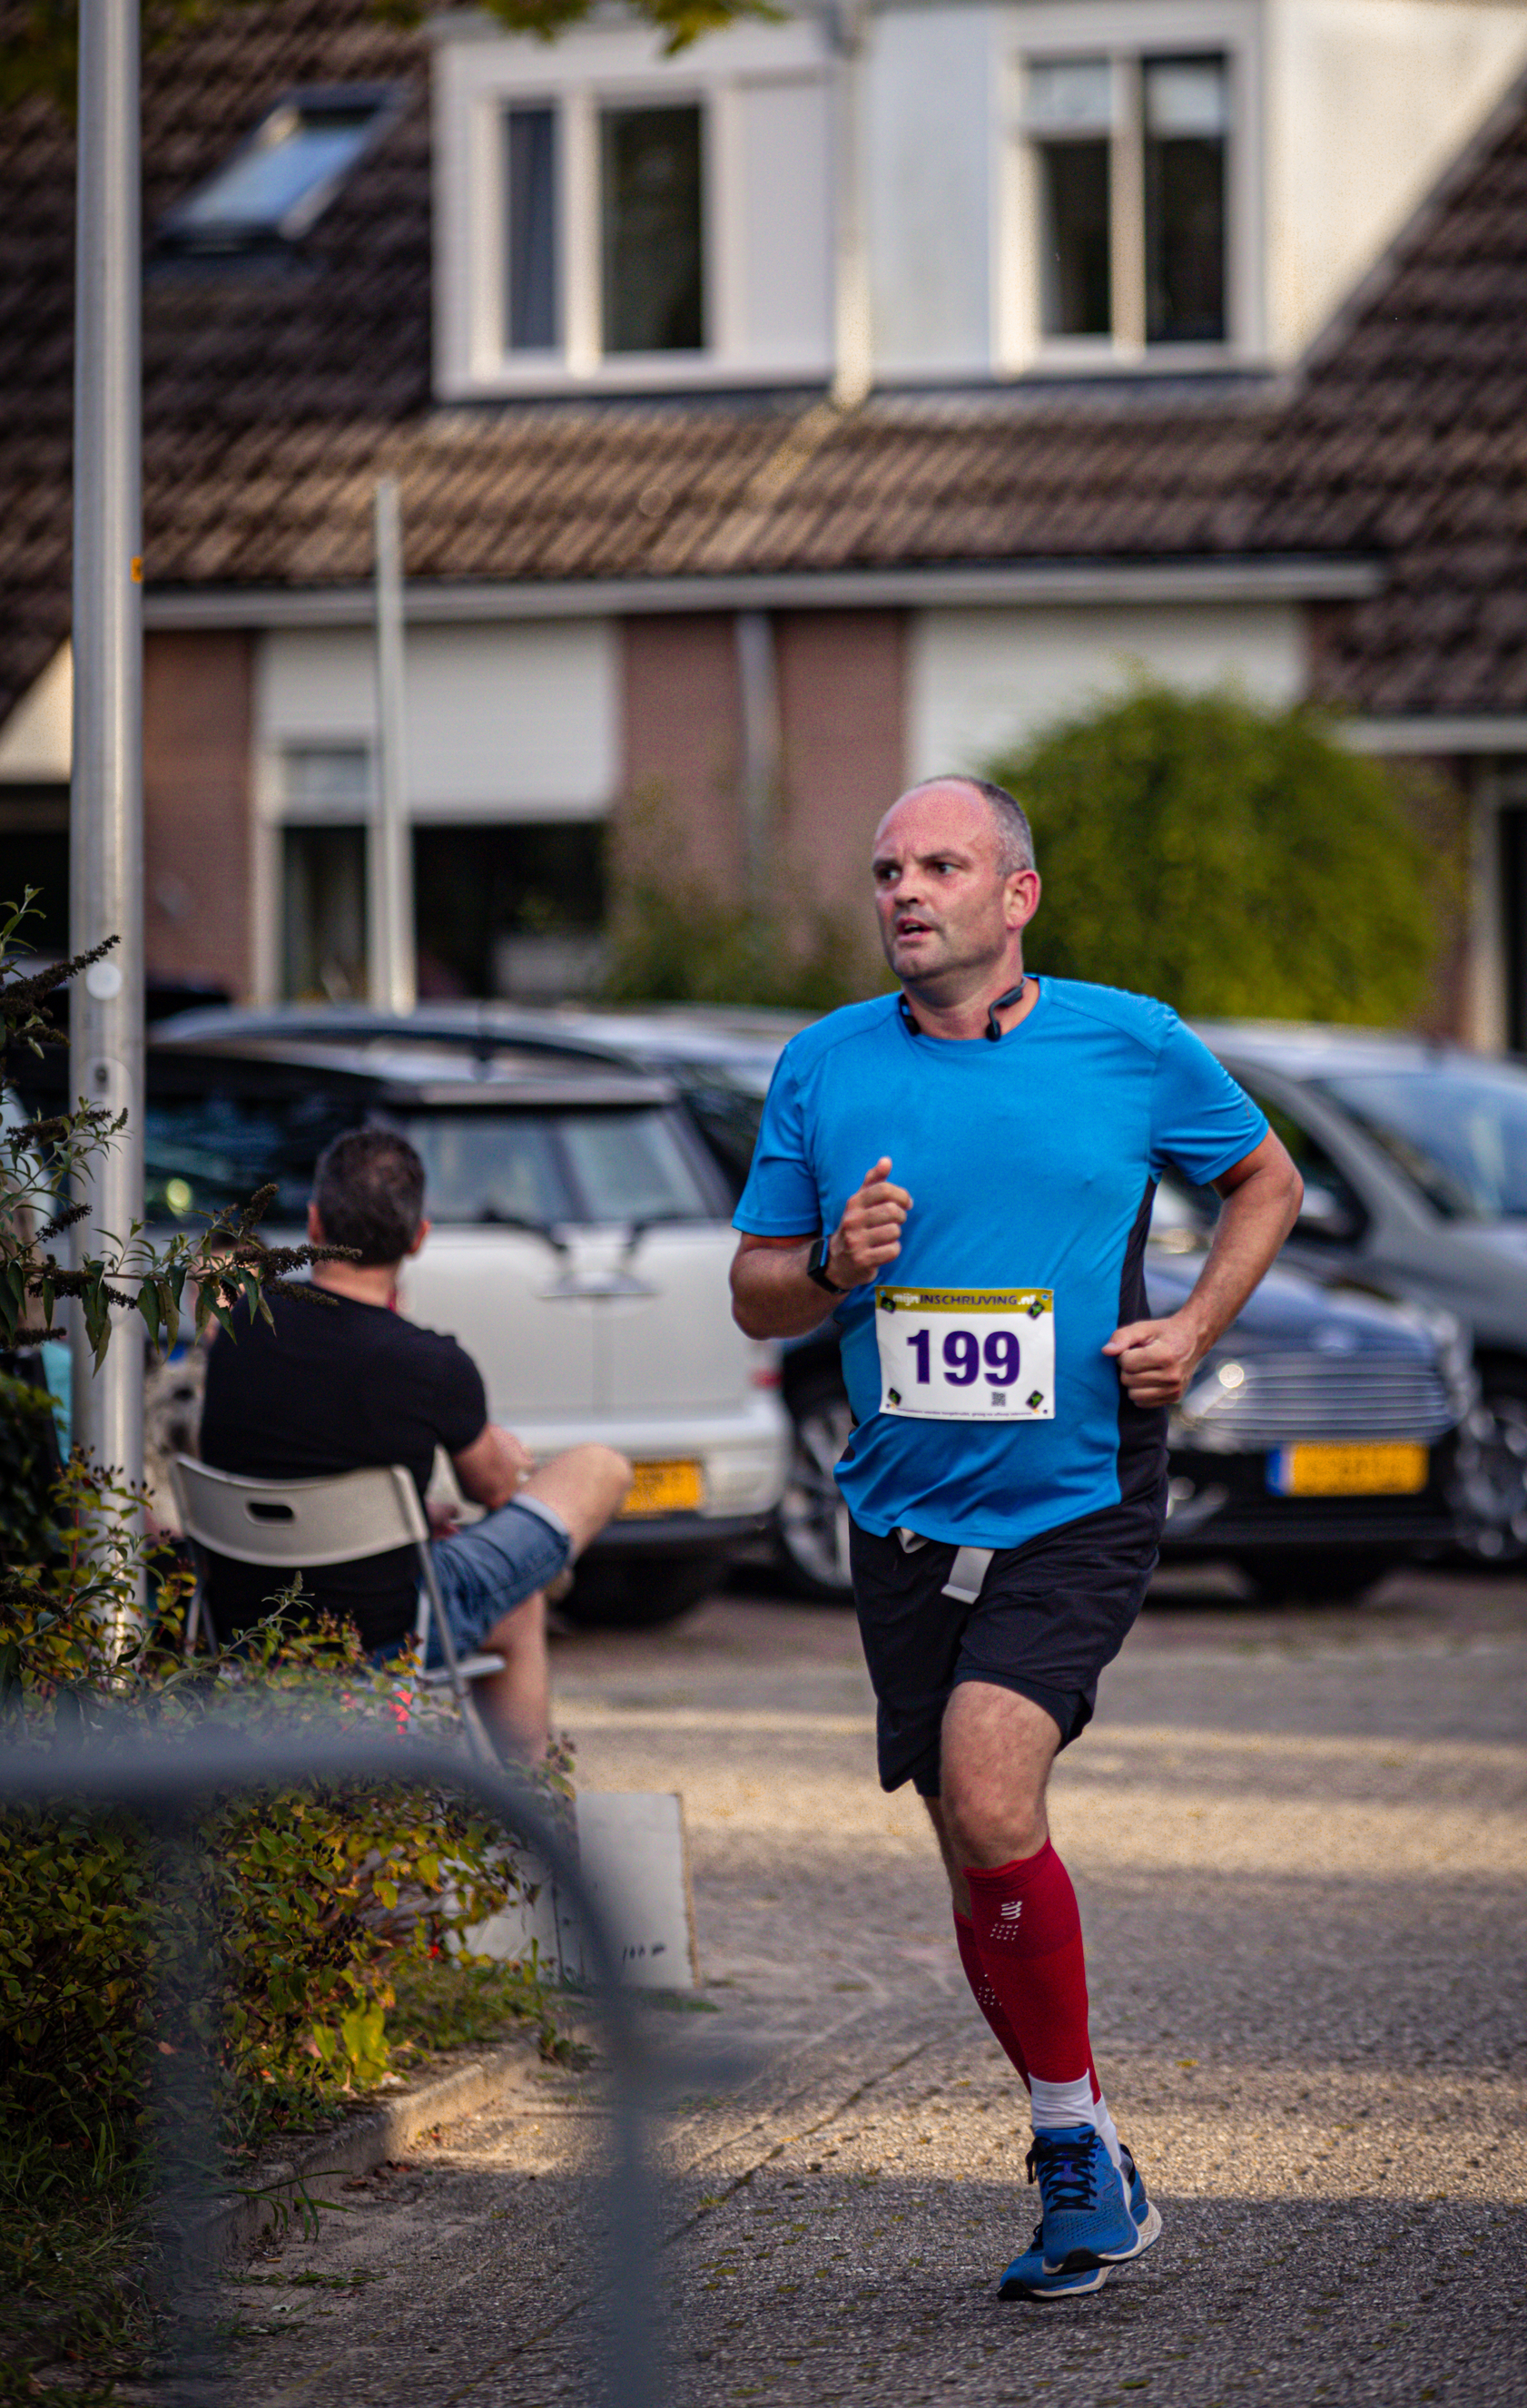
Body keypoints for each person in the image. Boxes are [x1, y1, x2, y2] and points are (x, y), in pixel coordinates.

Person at [729, 775, 1303, 2300]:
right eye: (886, 868)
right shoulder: (822, 1064)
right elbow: (754, 1288)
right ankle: (1090, 2149)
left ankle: (1060, 2151)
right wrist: (834, 1269)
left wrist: (1193, 1322)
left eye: (939, 864)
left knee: (991, 1788)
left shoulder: (1131, 1041)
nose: (905, 891)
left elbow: (1266, 1179)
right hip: (901, 1514)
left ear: (1016, 895)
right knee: (972, 1849)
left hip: (1081, 1490)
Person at [199, 1125, 628, 1763]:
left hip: (241, 1622)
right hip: (382, 1633)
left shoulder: (238, 1328)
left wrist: (398, 1519)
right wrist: (498, 1455)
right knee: (601, 1468)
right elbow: (493, 1489)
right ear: (419, 1238)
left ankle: (531, 1804)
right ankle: (533, 1809)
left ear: (315, 1224)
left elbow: (277, 1465)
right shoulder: (432, 1365)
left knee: (516, 1610)